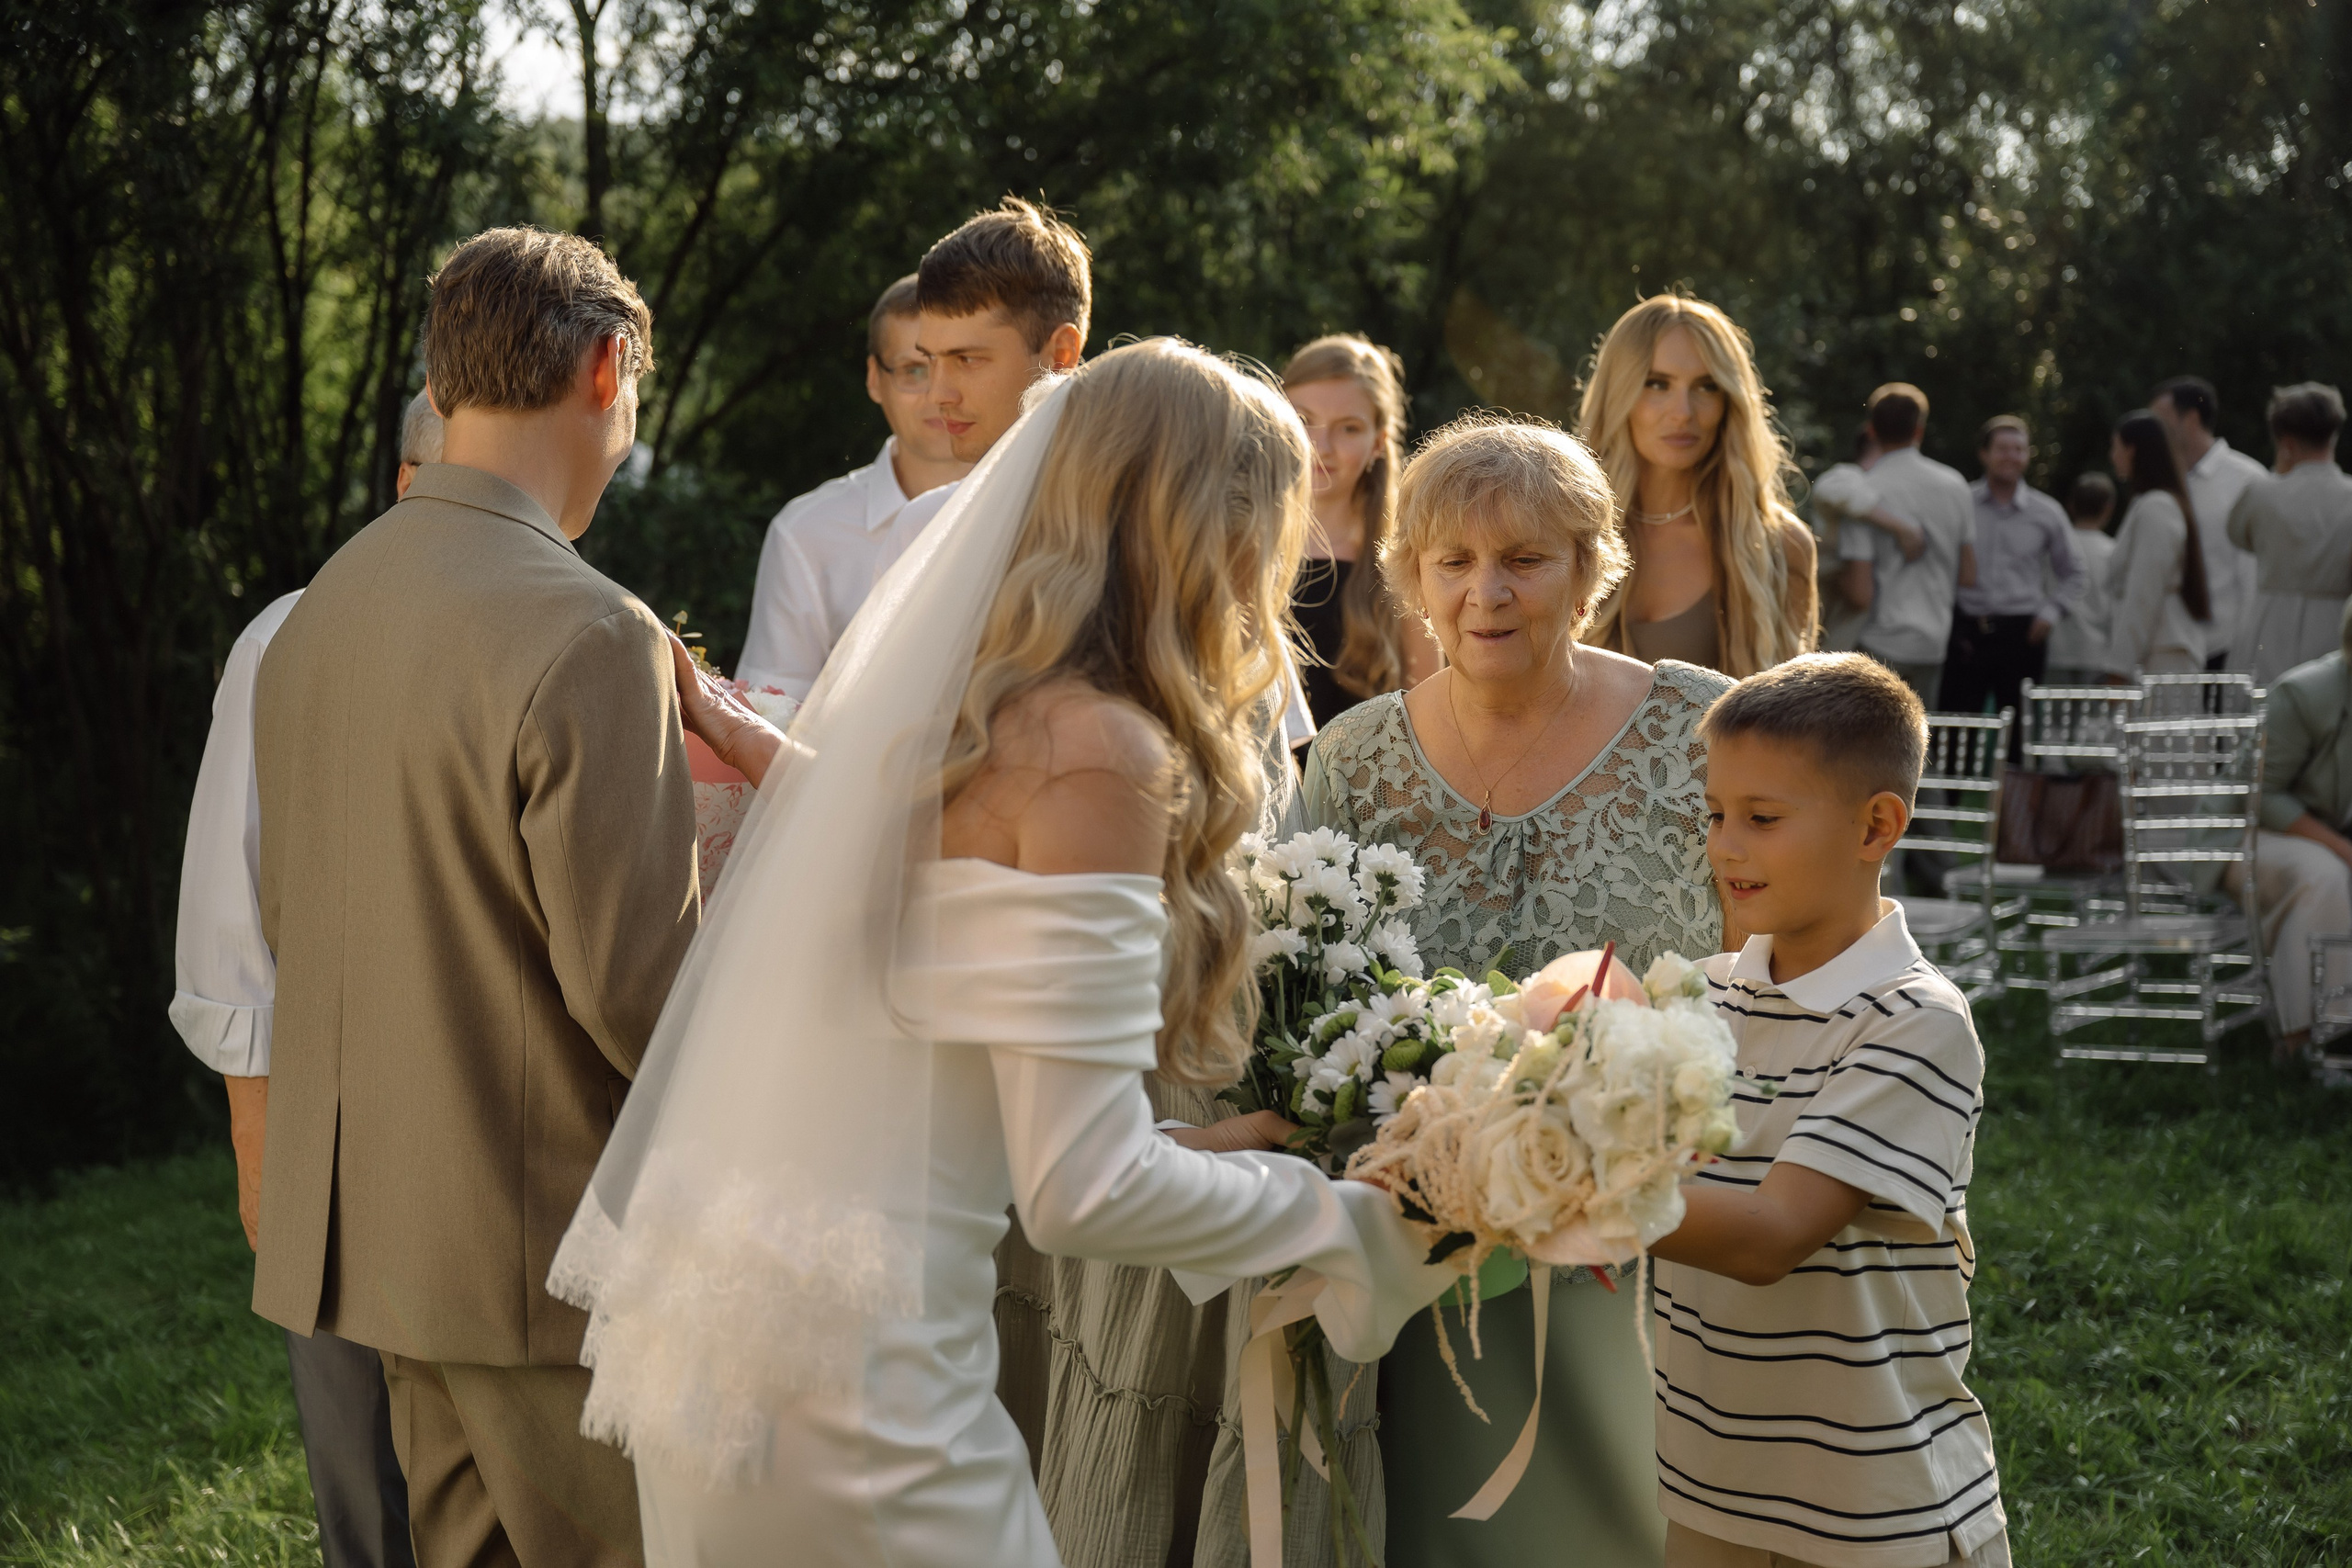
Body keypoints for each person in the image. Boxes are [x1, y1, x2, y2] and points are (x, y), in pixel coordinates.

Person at [548, 339, 1456, 1568]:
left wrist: (1178, 1147)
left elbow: (933, 959)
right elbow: (1083, 1189)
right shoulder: (1101, 753)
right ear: (1212, 527)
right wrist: (1347, 1224)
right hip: (874, 1382)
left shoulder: (968, 698)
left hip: (736, 1328)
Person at [252, 228, 701, 1566]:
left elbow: (303, 911)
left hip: (374, 1234)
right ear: (609, 368)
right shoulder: (592, 626)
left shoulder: (325, 602)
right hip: (541, 1245)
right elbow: (639, 992)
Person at [1262, 412, 1731, 1568]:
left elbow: (1781, 959)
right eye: (1454, 561)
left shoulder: (1702, 729)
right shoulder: (1351, 758)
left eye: (1526, 558)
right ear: (1411, 578)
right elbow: (1287, 999)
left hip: (1658, 1241)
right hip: (1417, 1259)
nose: (1489, 592)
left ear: (1589, 570)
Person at [1653, 652, 2007, 1568]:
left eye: (1762, 819)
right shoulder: (1695, 995)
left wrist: (1550, 1186)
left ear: (1875, 826)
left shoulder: (1916, 1022)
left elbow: (1770, 1235)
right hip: (1706, 1491)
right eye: (1716, 815)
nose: (1725, 845)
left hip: (1874, 1512)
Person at [170, 400, 445, 1568]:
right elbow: (226, 906)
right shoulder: (289, 635)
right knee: (363, 1463)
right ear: (402, 479)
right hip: (340, 1110)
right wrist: (258, 1136)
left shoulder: (594, 634)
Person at [735, 275, 974, 696]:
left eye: (960, 363)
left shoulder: (1046, 507)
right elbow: (774, 716)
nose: (939, 393)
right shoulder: (805, 533)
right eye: (914, 369)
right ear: (873, 378)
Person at [1577, 294, 1818, 677]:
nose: (1683, 412)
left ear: (1729, 402)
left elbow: (1790, 725)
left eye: (1707, 387)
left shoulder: (1778, 546)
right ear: (1618, 392)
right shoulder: (1558, 533)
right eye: (1657, 384)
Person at [1281, 333, 1440, 729]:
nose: (1321, 446)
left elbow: (1431, 712)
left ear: (1378, 443)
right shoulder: (1239, 547)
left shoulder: (1407, 559)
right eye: (1303, 421)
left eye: (1348, 428)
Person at [2229, 598, 2352, 1063]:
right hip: (2239, 833)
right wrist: (2341, 846)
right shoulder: (2306, 693)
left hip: (2314, 831)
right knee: (2322, 874)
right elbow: (2257, 794)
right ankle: (2309, 1034)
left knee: (2326, 869)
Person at [1840, 384, 1977, 709]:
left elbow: (1861, 593)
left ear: (1872, 430)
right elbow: (1969, 574)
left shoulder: (1864, 491)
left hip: (1879, 643)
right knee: (1921, 747)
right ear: (1919, 429)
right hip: (1934, 643)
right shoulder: (1955, 485)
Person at [1942, 415, 2083, 718]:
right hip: (1966, 631)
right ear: (1984, 454)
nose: (2011, 456)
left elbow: (2073, 572)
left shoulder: (2047, 512)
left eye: (2019, 449)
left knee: (2020, 733)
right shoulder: (1960, 503)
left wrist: (2051, 613)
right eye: (2002, 448)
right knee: (1959, 731)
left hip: (2023, 634)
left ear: (2028, 455)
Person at [2228, 382, 2352, 690]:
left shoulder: (2262, 492)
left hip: (2269, 626)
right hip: (2336, 627)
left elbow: (2238, 534)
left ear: (2286, 441)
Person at [2152, 376, 2267, 672]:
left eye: (2160, 421)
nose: (2154, 433)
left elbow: (2255, 579)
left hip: (2227, 652)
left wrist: (2243, 660)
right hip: (2173, 652)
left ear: (2190, 419)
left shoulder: (2247, 480)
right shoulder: (2163, 483)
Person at [2099, 410, 2211, 678]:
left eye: (2116, 447)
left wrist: (2119, 667)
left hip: (2162, 655)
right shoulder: (2154, 503)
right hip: (2160, 650)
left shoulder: (2156, 506)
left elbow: (2143, 592)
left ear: (2133, 450)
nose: (2112, 456)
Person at [1808, 424, 1925, 654]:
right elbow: (1834, 490)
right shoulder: (1849, 476)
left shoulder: (1889, 492)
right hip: (1829, 618)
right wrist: (1904, 528)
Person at [2042, 474, 2119, 686]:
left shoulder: (2054, 548)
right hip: (2098, 653)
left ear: (2071, 505)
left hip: (2058, 650)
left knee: (2055, 719)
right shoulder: (2113, 552)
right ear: (2108, 508)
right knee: (2095, 719)